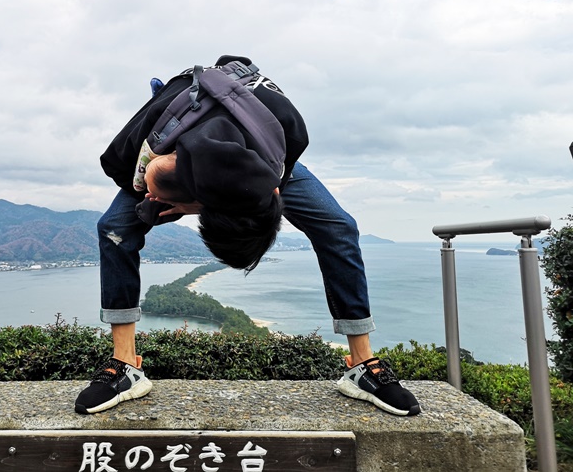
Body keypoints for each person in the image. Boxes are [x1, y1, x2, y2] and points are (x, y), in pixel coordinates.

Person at [74, 55, 421, 417]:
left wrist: (203, 204)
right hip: (181, 146)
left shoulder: (288, 134)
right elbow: (152, 176)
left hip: (259, 144)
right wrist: (195, 202)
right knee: (114, 228)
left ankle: (362, 364)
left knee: (338, 226)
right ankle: (125, 364)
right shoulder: (150, 154)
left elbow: (264, 197)